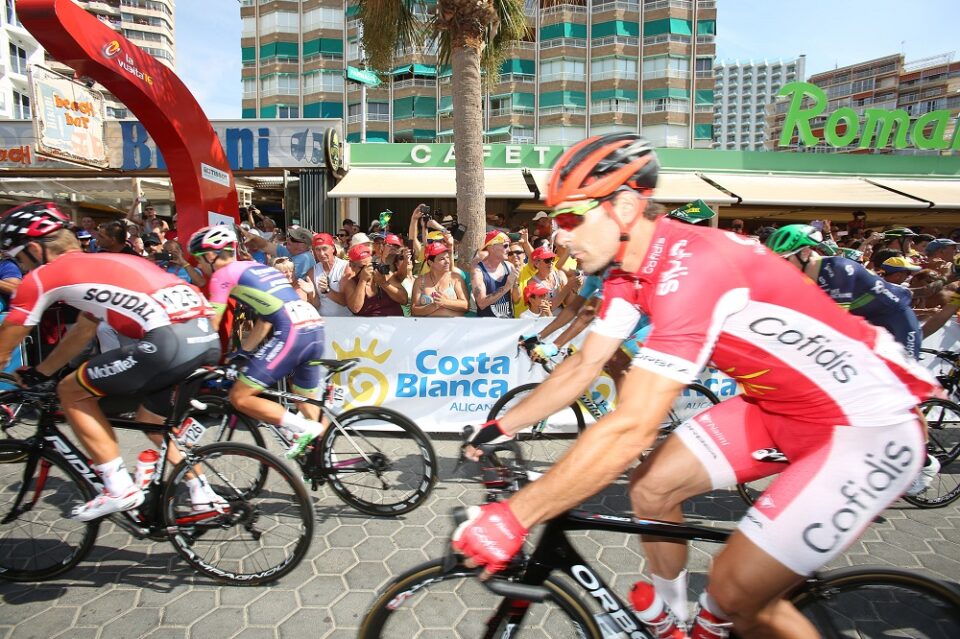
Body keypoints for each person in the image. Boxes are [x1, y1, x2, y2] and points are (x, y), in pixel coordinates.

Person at [455, 134, 940, 638]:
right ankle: (671, 619)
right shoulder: (628, 273)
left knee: (737, 595)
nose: (560, 236)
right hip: (776, 409)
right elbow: (583, 366)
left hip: (864, 429)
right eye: (554, 220)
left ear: (625, 205)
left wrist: (515, 518)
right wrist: (501, 426)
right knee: (652, 489)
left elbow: (632, 429)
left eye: (571, 217)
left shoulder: (692, 266)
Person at [0, 202, 222, 521]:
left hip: (168, 343)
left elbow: (5, 346)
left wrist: (37, 375)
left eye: (20, 258)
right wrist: (39, 372)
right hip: (203, 338)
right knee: (153, 422)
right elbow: (83, 331)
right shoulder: (105, 263)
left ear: (35, 248)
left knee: (71, 391)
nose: (21, 266)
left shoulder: (43, 276)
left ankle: (119, 487)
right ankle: (203, 494)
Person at [188, 226, 327, 459]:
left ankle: (303, 430)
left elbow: (211, 325)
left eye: (200, 259)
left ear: (211, 256)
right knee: (305, 400)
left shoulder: (222, 275)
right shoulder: (256, 267)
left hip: (292, 329)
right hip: (312, 324)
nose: (200, 265)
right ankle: (325, 458)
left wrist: (192, 355)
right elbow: (264, 320)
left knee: (240, 397)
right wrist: (243, 352)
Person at [766, 224, 923, 360]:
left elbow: (834, 325)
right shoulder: (803, 278)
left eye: (784, 259)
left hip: (897, 320)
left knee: (906, 383)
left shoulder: (838, 269)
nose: (780, 266)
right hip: (870, 324)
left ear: (805, 253)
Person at [342, 243, 407, 317]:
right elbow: (355, 308)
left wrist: (383, 283)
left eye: (369, 265)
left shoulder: (384, 274)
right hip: (367, 324)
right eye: (362, 267)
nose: (367, 270)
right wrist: (362, 280)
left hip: (393, 322)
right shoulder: (351, 283)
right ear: (351, 266)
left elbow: (404, 300)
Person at [411, 242, 468, 317]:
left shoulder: (455, 278)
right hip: (428, 327)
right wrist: (434, 306)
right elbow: (414, 310)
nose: (447, 261)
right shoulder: (420, 281)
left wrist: (445, 302)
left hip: (453, 327)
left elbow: (465, 306)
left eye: (447, 257)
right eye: (442, 259)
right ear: (430, 262)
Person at [471, 230, 518, 318]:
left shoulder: (509, 266)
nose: (509, 250)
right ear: (492, 247)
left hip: (508, 325)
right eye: (505, 246)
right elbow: (481, 303)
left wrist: (515, 284)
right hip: (488, 327)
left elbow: (516, 299)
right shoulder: (478, 271)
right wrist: (506, 287)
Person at [514, 245, 568, 317]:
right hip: (545, 318)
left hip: (562, 315)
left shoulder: (558, 273)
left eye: (552, 259)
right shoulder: (532, 282)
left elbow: (568, 300)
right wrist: (568, 288)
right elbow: (549, 307)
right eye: (547, 260)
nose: (551, 262)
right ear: (537, 264)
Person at [310, 232, 352, 317]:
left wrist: (327, 291)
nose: (321, 253)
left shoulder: (346, 267)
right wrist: (310, 294)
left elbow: (346, 302)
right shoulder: (312, 271)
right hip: (324, 321)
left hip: (345, 322)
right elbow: (316, 304)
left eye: (324, 248)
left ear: (333, 248)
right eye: (317, 249)